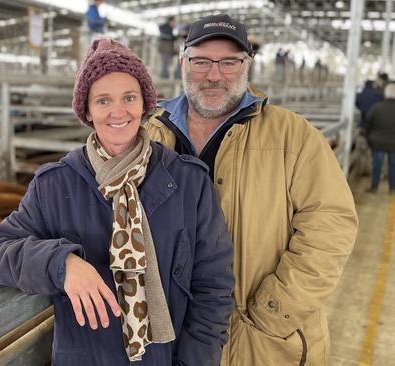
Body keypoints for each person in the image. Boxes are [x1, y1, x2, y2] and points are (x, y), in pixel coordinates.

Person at [0, 39, 234, 365]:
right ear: (86, 111)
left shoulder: (189, 182)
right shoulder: (55, 184)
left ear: (145, 104)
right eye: (103, 100)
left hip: (166, 358)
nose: (118, 111)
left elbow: (213, 286)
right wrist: (61, 264)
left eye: (129, 98)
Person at [143, 14, 358, 366]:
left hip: (259, 340)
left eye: (229, 62)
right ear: (183, 63)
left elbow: (331, 229)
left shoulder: (296, 136)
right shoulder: (149, 135)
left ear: (248, 65)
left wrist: (272, 311)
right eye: (201, 62)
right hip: (168, 335)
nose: (214, 75)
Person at [363, 83, 395, 193]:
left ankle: (374, 187)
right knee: (393, 166)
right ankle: (392, 189)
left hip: (378, 142)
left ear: (385, 94)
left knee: (377, 165)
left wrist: (369, 137)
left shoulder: (376, 107)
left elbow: (367, 123)